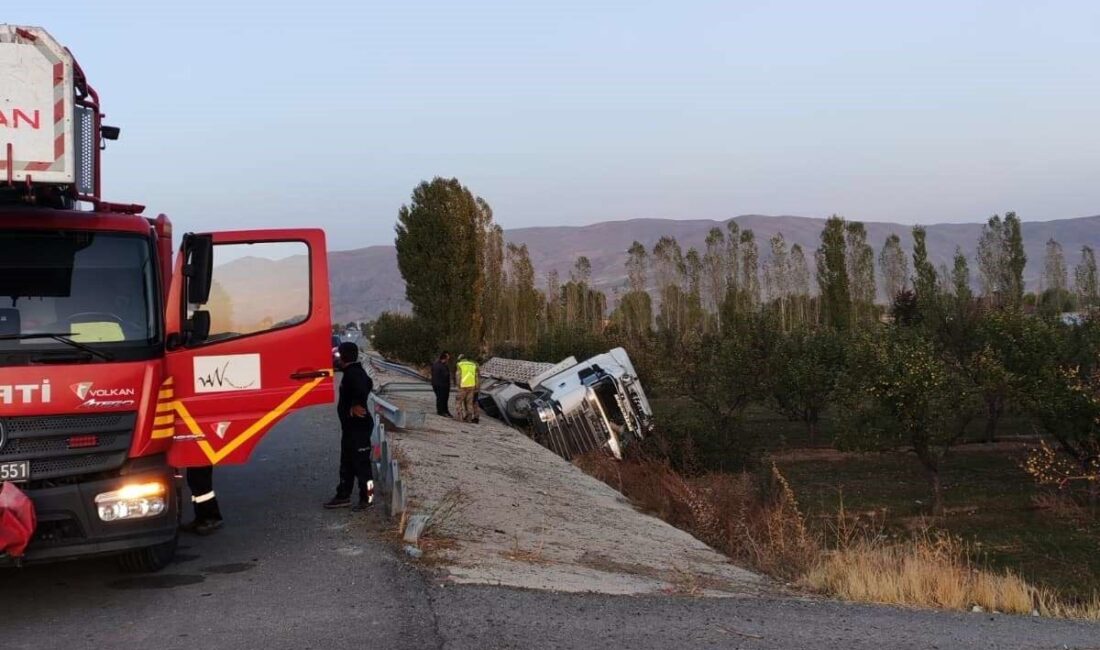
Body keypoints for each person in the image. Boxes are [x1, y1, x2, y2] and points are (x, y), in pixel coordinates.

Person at [324, 341, 375, 511]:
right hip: (350, 429)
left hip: (359, 428)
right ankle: (343, 495)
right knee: (347, 463)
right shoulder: (350, 372)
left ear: (344, 356)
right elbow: (368, 383)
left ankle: (368, 498)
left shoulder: (354, 373)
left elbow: (365, 385)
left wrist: (356, 403)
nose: (337, 357)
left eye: (339, 354)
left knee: (362, 465)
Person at [181, 466, 223, 535]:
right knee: (195, 482)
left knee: (201, 483)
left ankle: (210, 518)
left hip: (201, 458)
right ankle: (201, 518)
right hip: (197, 458)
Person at [455, 354, 480, 424]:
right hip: (471, 386)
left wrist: (458, 385)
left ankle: (460, 417)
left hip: (462, 386)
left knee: (459, 401)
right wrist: (476, 387)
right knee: (469, 403)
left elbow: (458, 376)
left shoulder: (459, 364)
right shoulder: (473, 365)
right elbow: (476, 377)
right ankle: (469, 419)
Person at [430, 351, 452, 417]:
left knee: (440, 398)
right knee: (442, 399)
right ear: (445, 358)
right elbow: (445, 375)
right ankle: (442, 411)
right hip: (442, 385)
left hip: (435, 384)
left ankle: (444, 411)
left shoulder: (435, 364)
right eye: (448, 358)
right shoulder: (443, 366)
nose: (448, 360)